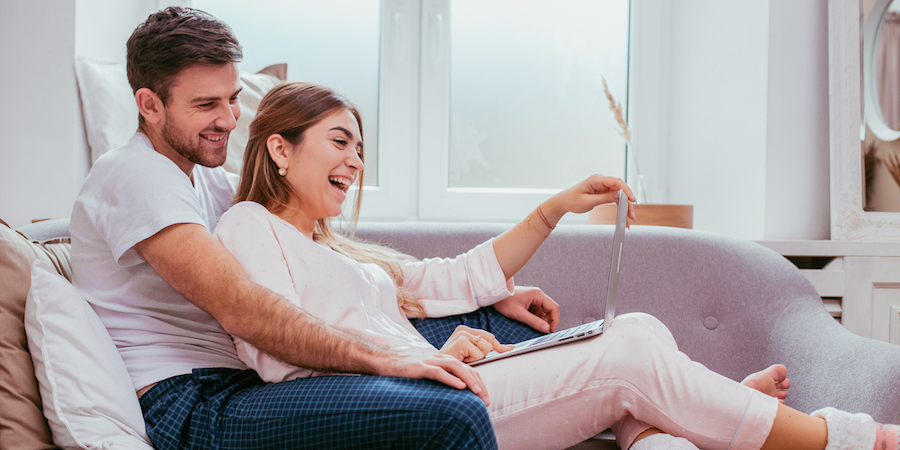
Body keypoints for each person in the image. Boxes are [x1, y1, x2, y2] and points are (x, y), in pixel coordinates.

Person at [213, 80, 900, 450]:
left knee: (634, 327)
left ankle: (675, 433)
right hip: (421, 400)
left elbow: (453, 278)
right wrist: (416, 356)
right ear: (278, 148)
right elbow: (274, 349)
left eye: (360, 147)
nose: (355, 162)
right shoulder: (246, 227)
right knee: (627, 353)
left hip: (447, 382)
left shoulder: (338, 249)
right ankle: (837, 437)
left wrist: (553, 210)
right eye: (339, 142)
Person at [70, 6, 507, 450]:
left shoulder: (208, 180)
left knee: (494, 328)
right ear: (150, 105)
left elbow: (318, 266)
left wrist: (490, 293)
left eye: (233, 97)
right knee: (454, 412)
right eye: (206, 104)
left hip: (245, 381)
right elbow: (242, 307)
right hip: (193, 404)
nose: (230, 119)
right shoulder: (134, 174)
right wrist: (387, 358)